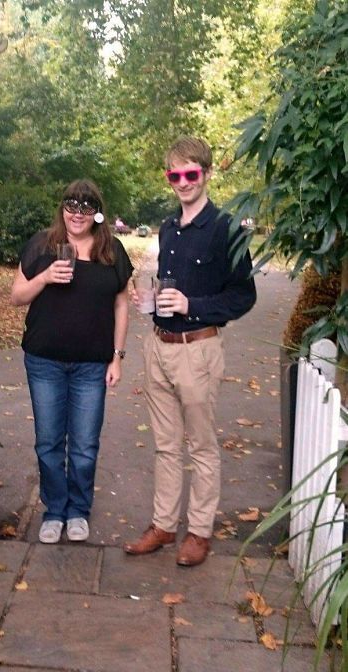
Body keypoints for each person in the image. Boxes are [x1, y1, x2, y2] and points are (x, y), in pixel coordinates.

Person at [123, 136, 257, 566]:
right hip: (159, 347)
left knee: (200, 446)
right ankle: (164, 525)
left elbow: (243, 296)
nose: (183, 182)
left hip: (198, 350)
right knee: (165, 445)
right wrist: (150, 303)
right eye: (174, 175)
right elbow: (168, 289)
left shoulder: (226, 229)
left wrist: (191, 306)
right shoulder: (168, 228)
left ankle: (199, 531)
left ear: (207, 173)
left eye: (191, 173)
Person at [11, 179, 133, 544]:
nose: (77, 214)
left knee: (84, 446)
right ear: (62, 208)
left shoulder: (111, 251)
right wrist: (45, 277)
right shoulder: (42, 244)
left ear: (97, 213)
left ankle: (78, 509)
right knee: (48, 443)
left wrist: (117, 358)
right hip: (45, 361)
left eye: (85, 207)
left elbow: (121, 305)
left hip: (91, 365)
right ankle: (54, 510)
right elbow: (17, 296)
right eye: (71, 205)